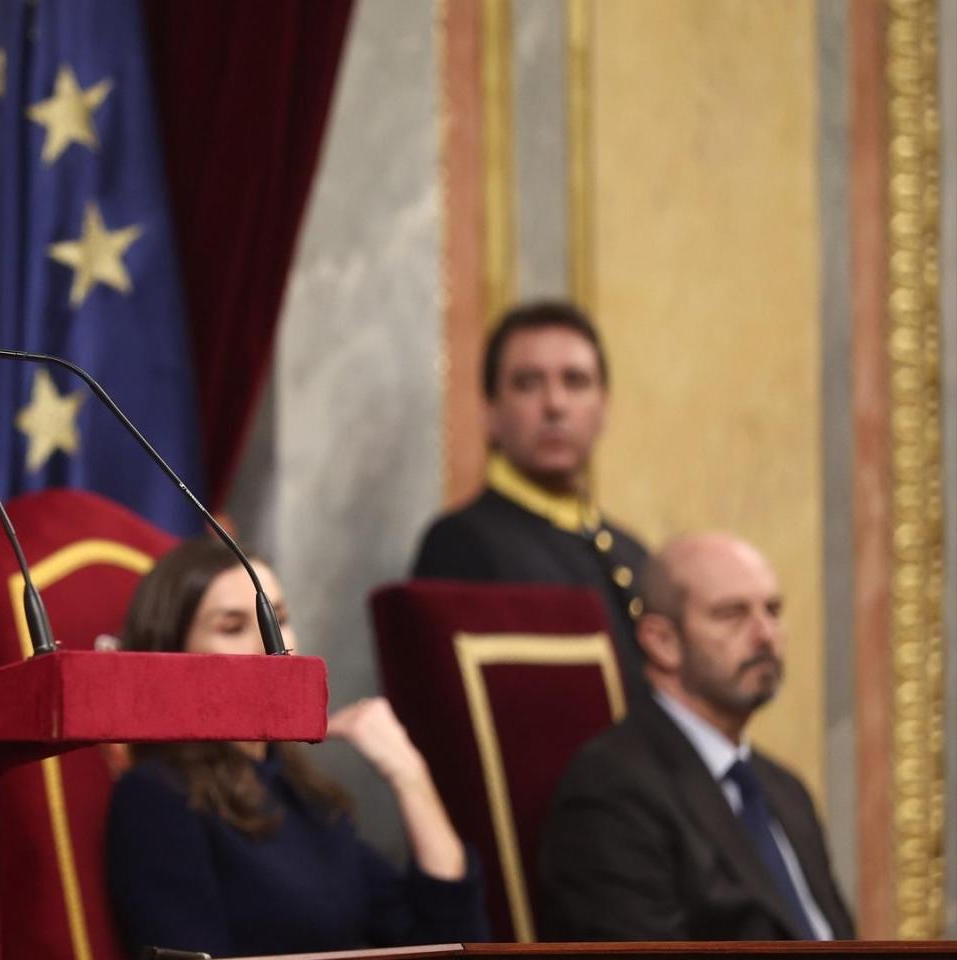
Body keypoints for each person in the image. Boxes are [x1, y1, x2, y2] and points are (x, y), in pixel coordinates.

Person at [105, 538, 489, 957]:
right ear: (171, 653)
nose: (271, 647)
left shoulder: (300, 790)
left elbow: (447, 940)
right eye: (232, 627)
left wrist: (410, 774)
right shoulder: (156, 797)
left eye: (278, 619)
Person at [538, 533, 853, 940]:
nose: (765, 635)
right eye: (731, 614)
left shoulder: (784, 789)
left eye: (773, 610)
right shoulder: (612, 789)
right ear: (662, 641)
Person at [412, 300, 651, 704]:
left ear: (603, 408)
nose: (555, 405)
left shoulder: (632, 552)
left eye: (575, 381)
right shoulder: (460, 543)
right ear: (490, 412)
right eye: (527, 383)